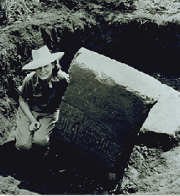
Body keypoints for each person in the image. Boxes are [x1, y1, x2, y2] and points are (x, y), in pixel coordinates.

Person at [0, 45, 69, 169]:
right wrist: (32, 120)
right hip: (30, 111)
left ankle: (40, 158)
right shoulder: (29, 80)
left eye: (46, 66)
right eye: (39, 67)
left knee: (41, 141)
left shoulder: (63, 80)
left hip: (50, 113)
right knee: (23, 146)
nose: (42, 70)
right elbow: (22, 100)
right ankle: (20, 132)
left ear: (53, 65)